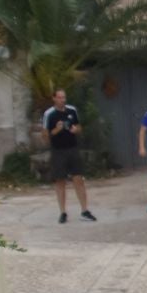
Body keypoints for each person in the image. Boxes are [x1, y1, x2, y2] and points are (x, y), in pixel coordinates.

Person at [43, 88, 95, 223]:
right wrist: (56, 129)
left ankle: (84, 210)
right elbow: (45, 136)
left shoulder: (71, 110)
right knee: (60, 181)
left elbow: (79, 127)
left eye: (64, 98)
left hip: (72, 148)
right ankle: (63, 212)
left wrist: (75, 129)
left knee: (78, 179)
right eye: (59, 98)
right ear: (54, 98)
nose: (62, 100)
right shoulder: (49, 114)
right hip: (58, 150)